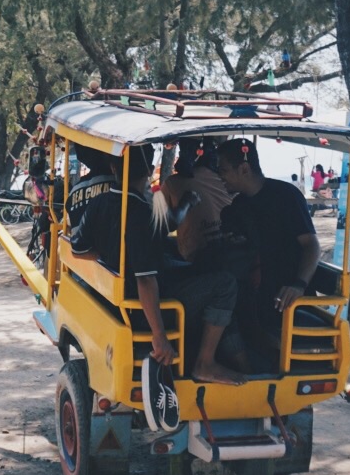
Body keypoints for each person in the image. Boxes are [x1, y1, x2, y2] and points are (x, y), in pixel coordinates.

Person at [68, 144, 244, 385]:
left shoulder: (99, 204)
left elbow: (78, 249)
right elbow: (146, 280)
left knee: (197, 270)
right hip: (144, 309)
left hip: (116, 298)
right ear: (150, 170)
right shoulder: (142, 213)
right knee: (225, 283)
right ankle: (205, 363)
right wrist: (159, 337)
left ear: (113, 168)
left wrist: (112, 258)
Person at [218, 137, 322, 349]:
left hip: (283, 295)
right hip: (252, 291)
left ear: (244, 168)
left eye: (224, 170)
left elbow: (312, 245)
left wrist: (298, 285)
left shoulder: (286, 196)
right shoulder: (238, 205)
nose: (220, 177)